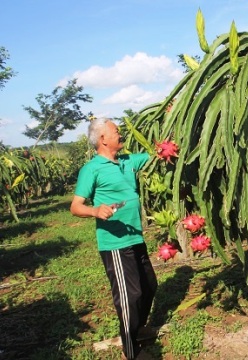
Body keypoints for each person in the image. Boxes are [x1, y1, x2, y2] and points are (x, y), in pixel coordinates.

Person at [70, 117, 157, 360]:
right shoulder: (91, 169)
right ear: (102, 139)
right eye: (116, 131)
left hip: (135, 237)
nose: (120, 134)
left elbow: (158, 154)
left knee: (149, 285)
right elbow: (76, 207)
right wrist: (95, 211)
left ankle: (137, 330)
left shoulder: (128, 161)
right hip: (115, 243)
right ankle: (131, 352)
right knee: (129, 297)